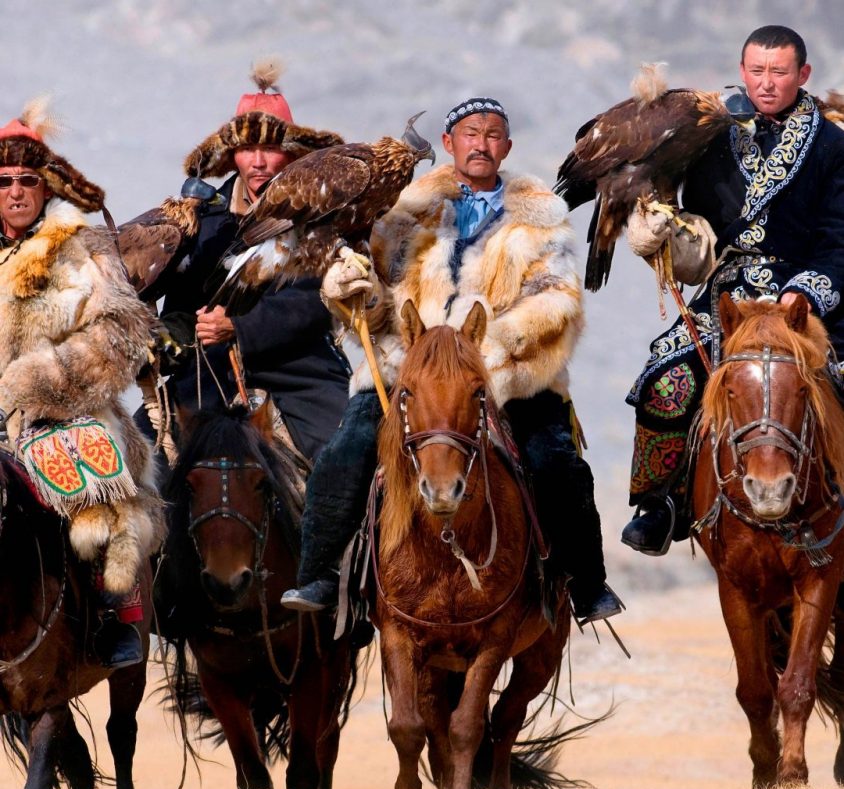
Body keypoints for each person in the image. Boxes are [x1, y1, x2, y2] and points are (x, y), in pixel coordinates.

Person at [281, 97, 623, 625]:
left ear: (506, 147)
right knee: (346, 450)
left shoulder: (540, 221)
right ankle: (321, 575)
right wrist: (355, 293)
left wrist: (491, 351)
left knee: (555, 460)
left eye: (492, 135)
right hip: (408, 372)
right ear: (448, 144)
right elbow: (380, 304)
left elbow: (556, 299)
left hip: (507, 374)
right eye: (470, 134)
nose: (480, 144)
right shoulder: (403, 215)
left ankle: (586, 584)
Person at [621, 25, 844, 555]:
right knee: (665, 381)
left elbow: (840, 239)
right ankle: (662, 502)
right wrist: (661, 228)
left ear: (803, 74)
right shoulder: (711, 133)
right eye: (757, 71)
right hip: (728, 300)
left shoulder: (834, 146)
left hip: (806, 304)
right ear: (743, 71)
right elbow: (683, 210)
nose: (767, 82)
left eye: (779, 72)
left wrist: (804, 294)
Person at [0, 99, 164, 667]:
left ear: (46, 186)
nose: (15, 192)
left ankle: (114, 613)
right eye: (4, 181)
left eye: (27, 180)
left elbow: (122, 332)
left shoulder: (83, 248)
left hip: (64, 411)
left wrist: (40, 380)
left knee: (89, 474)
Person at [128, 61, 350, 463]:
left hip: (300, 368)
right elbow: (184, 308)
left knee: (345, 460)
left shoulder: (322, 214)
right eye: (248, 149)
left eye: (271, 149)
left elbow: (313, 302)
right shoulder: (203, 220)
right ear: (233, 156)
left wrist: (238, 327)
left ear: (292, 154)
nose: (259, 162)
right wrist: (165, 338)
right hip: (210, 369)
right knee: (139, 456)